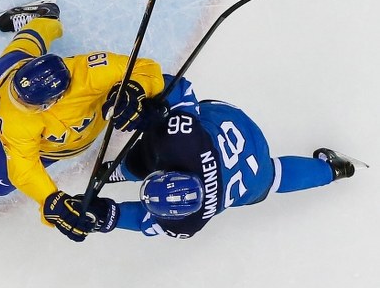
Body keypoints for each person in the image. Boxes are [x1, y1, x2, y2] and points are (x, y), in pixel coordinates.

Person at [0, 0, 168, 243]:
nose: (16, 103)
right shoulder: (15, 117)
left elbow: (147, 70)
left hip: (61, 126)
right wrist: (51, 200)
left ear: (54, 99)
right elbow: (23, 169)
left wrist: (135, 90)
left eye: (26, 103)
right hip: (39, 139)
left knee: (43, 35)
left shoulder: (91, 72)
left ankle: (45, 19)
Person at [53, 75, 364, 240]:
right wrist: (143, 101)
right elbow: (180, 90)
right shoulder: (187, 219)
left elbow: (177, 89)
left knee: (276, 176)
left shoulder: (180, 151)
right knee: (274, 178)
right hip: (244, 163)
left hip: (245, 153)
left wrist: (108, 217)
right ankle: (333, 170)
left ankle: (333, 170)